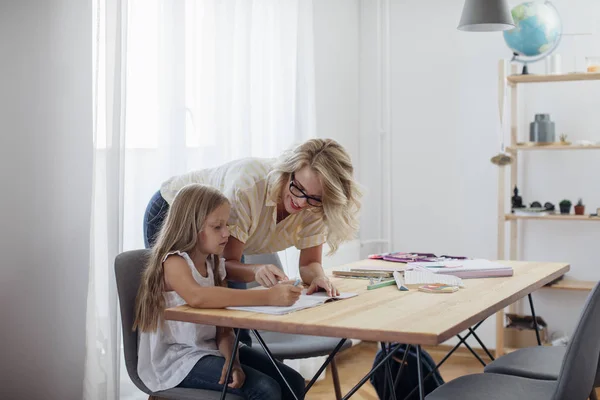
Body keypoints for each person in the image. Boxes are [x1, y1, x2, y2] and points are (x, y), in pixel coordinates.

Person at [143, 138, 362, 343]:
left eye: (314, 198)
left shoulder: (317, 207)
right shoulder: (247, 188)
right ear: (288, 172)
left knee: (235, 331)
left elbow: (308, 265)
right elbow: (225, 266)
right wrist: (258, 273)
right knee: (203, 316)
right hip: (174, 209)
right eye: (299, 189)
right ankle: (194, 371)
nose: (301, 202)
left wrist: (319, 277)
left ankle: (242, 371)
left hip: (222, 241)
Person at [133, 183, 306, 400]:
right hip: (178, 359)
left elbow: (223, 330)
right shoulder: (174, 262)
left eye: (227, 225)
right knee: (265, 390)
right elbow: (197, 297)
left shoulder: (214, 265)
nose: (226, 233)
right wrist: (267, 297)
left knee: (293, 382)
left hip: (212, 349)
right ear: (191, 227)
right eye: (217, 227)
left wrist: (231, 359)